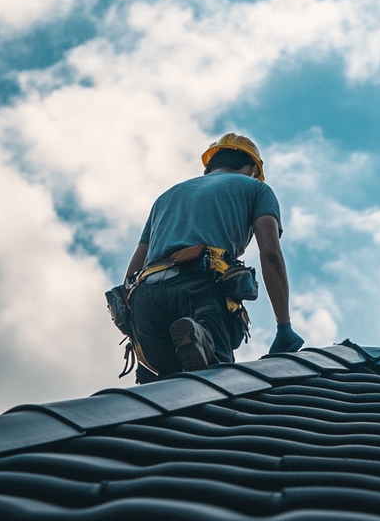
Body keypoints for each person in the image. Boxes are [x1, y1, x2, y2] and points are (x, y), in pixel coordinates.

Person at [123, 133, 304, 383]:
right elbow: (271, 253)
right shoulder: (256, 188)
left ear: (209, 165)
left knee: (166, 391)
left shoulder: (167, 197)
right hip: (198, 288)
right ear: (252, 168)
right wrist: (284, 327)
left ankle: (168, 361)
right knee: (215, 386)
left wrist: (135, 323)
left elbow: (132, 273)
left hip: (146, 300)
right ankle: (198, 336)